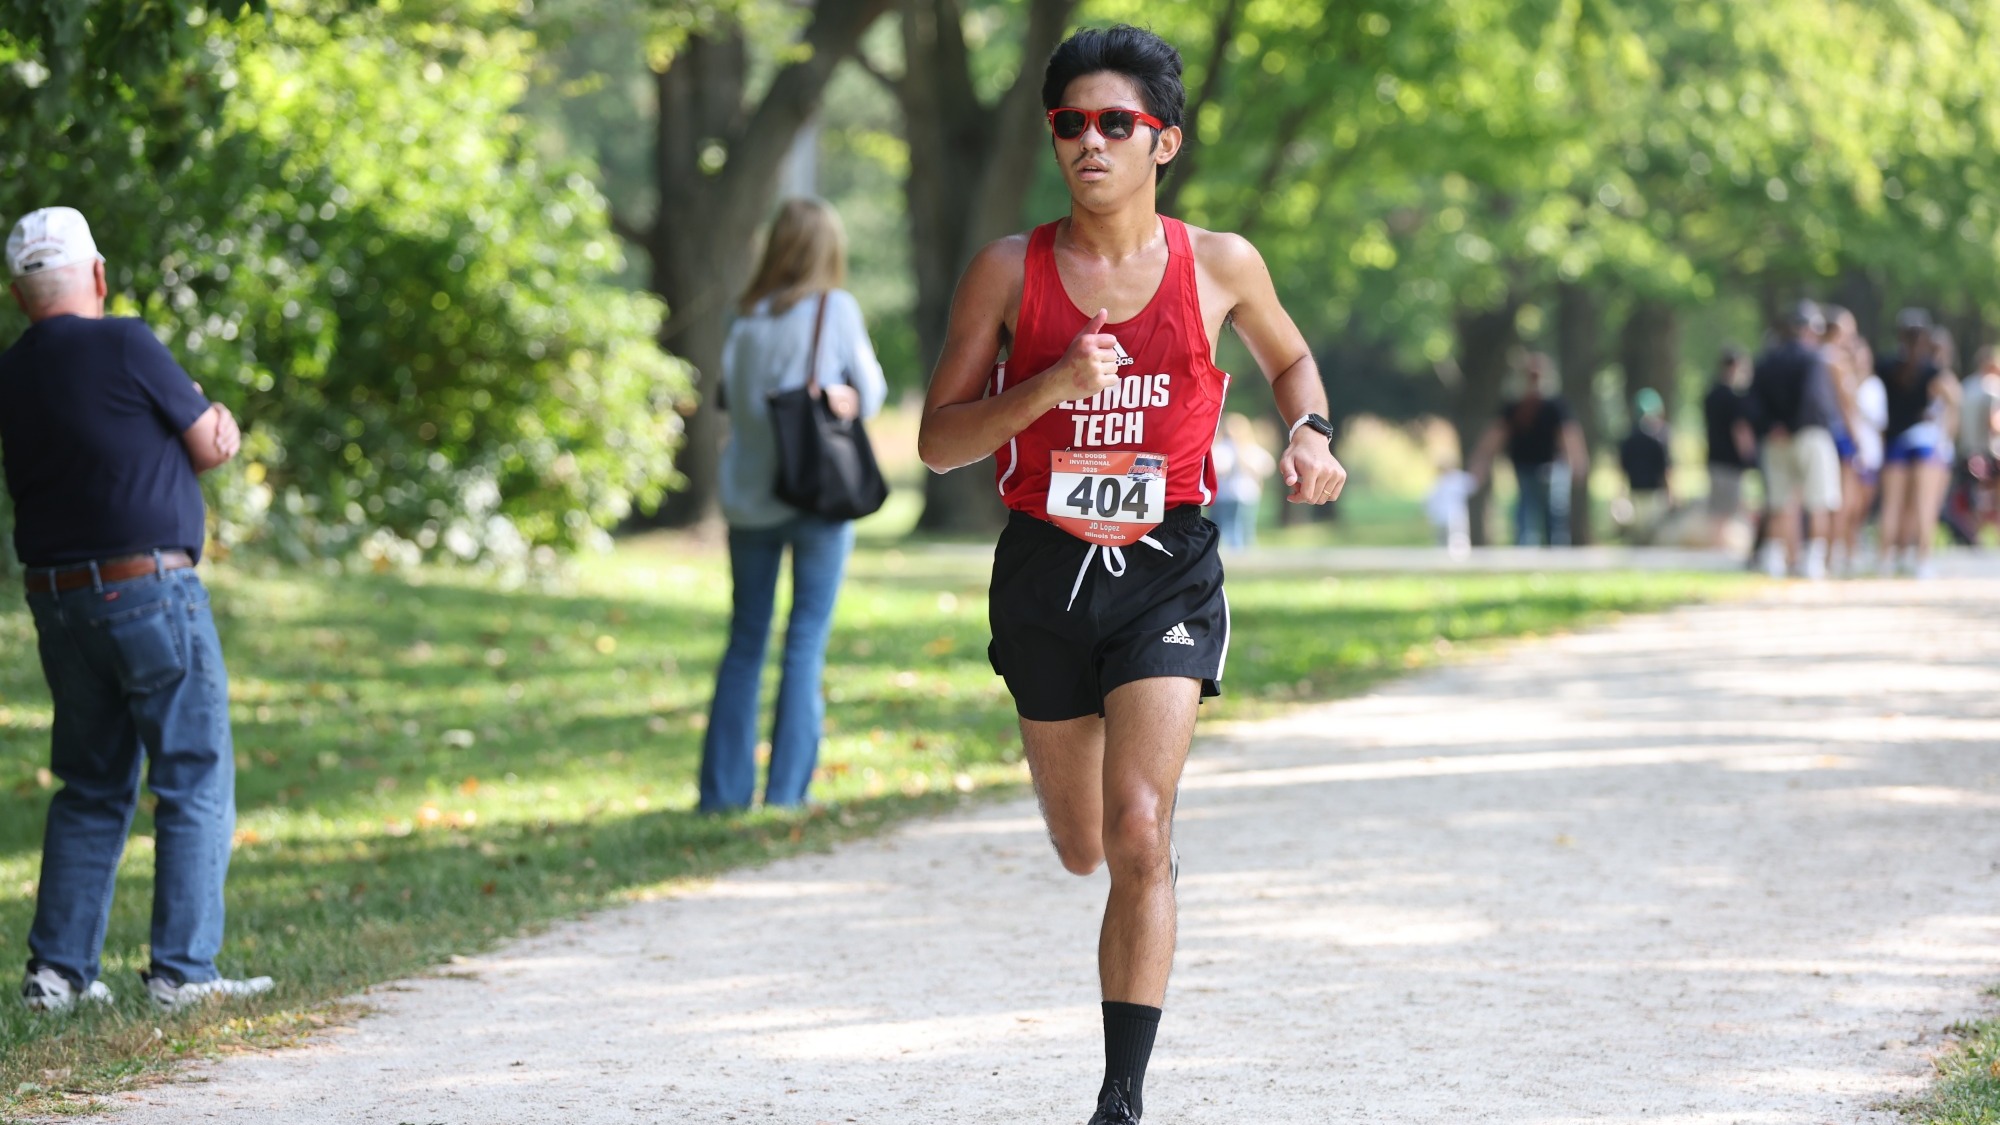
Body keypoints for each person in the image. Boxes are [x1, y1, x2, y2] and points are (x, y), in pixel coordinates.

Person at [914, 26, 1346, 1124]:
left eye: (1116, 122)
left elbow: (1291, 359)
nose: (1090, 142)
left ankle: (1120, 1098)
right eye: (1070, 123)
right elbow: (938, 441)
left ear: (1165, 142)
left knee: (1140, 831)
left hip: (1167, 566)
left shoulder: (1220, 265)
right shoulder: (1007, 271)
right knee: (1082, 847)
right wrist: (1049, 385)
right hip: (1044, 569)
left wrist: (1308, 431)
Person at [0, 207, 271, 1012]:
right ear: (98, 274)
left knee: (89, 782)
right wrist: (215, 419)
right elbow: (208, 444)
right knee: (192, 773)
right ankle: (183, 972)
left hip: (58, 602)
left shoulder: (11, 372)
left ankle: (57, 974)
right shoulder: (125, 342)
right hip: (149, 591)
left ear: (17, 296)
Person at [699, 198, 887, 813]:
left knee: (745, 641)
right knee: (804, 638)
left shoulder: (743, 317)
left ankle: (723, 795)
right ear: (827, 250)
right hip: (816, 495)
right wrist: (842, 396)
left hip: (748, 496)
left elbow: (732, 401)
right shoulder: (835, 309)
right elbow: (872, 392)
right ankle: (785, 794)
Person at [1747, 301, 1842, 579]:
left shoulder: (1766, 361)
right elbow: (1812, 399)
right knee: (1818, 501)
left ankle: (1779, 559)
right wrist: (1793, 426)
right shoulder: (1813, 359)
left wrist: (1773, 426)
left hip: (1775, 440)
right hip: (1809, 435)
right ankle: (1813, 560)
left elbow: (1752, 404)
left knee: (1780, 502)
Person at [1466, 353, 1589, 546]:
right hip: (1524, 467)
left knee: (1554, 513)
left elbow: (1568, 434)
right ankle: (1525, 553)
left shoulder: (1555, 405)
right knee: (1526, 512)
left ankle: (1556, 553)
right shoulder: (1514, 407)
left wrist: (1577, 460)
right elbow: (1495, 435)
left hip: (1552, 467)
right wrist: (1480, 462)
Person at [1874, 310, 1959, 578]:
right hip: (1924, 442)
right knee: (1925, 504)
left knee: (1891, 505)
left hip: (1895, 441)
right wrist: (1944, 431)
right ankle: (1922, 562)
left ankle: (1885, 560)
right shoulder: (1931, 370)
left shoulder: (1886, 366)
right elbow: (1954, 399)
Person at [1702, 346, 1757, 523]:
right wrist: (1750, 457)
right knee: (1728, 513)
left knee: (1716, 510)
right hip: (1730, 461)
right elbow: (1740, 430)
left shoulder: (1710, 395)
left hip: (1714, 458)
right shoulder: (1734, 398)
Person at [1952, 346, 2000, 543]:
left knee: (1970, 496)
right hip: (1987, 452)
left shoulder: (1965, 386)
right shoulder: (1992, 388)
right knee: (1992, 496)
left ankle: (1974, 535)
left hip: (1965, 451)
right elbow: (1994, 424)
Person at [1206, 412, 1274, 549]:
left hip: (1245, 495)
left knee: (1243, 526)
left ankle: (1241, 551)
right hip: (1223, 495)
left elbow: (1267, 467)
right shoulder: (1221, 447)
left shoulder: (1251, 449)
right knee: (1220, 526)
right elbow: (1216, 467)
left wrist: (1243, 458)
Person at [1616, 388, 1674, 542]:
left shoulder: (1628, 438)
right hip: (1655, 495)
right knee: (1654, 537)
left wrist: (1620, 494)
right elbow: (1666, 470)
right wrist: (1671, 494)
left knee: (1639, 537)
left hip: (1636, 492)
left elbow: (1622, 469)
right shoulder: (1660, 439)